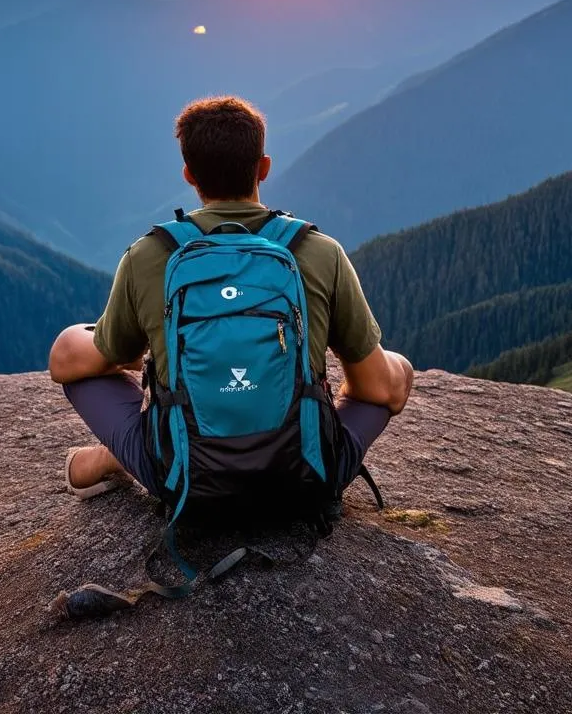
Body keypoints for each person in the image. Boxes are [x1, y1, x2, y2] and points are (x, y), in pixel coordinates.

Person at [48, 95, 413, 509]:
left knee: (81, 367)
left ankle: (116, 456)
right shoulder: (320, 252)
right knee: (392, 371)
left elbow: (68, 362)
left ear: (189, 174)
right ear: (264, 167)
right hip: (306, 477)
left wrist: (147, 352)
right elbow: (378, 388)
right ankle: (305, 441)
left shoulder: (149, 256)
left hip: (182, 478)